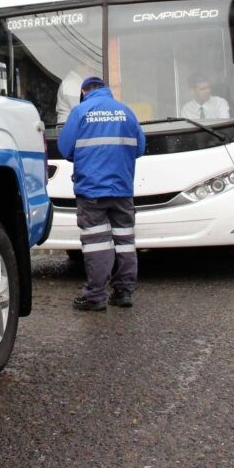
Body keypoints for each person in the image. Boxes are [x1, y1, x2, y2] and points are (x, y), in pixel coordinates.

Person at [58, 77, 146, 310]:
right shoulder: (126, 111)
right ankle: (124, 292)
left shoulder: (80, 111)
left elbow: (65, 148)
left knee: (97, 243)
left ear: (84, 91)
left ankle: (95, 297)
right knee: (125, 240)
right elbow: (140, 148)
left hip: (92, 191)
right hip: (122, 189)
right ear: (106, 90)